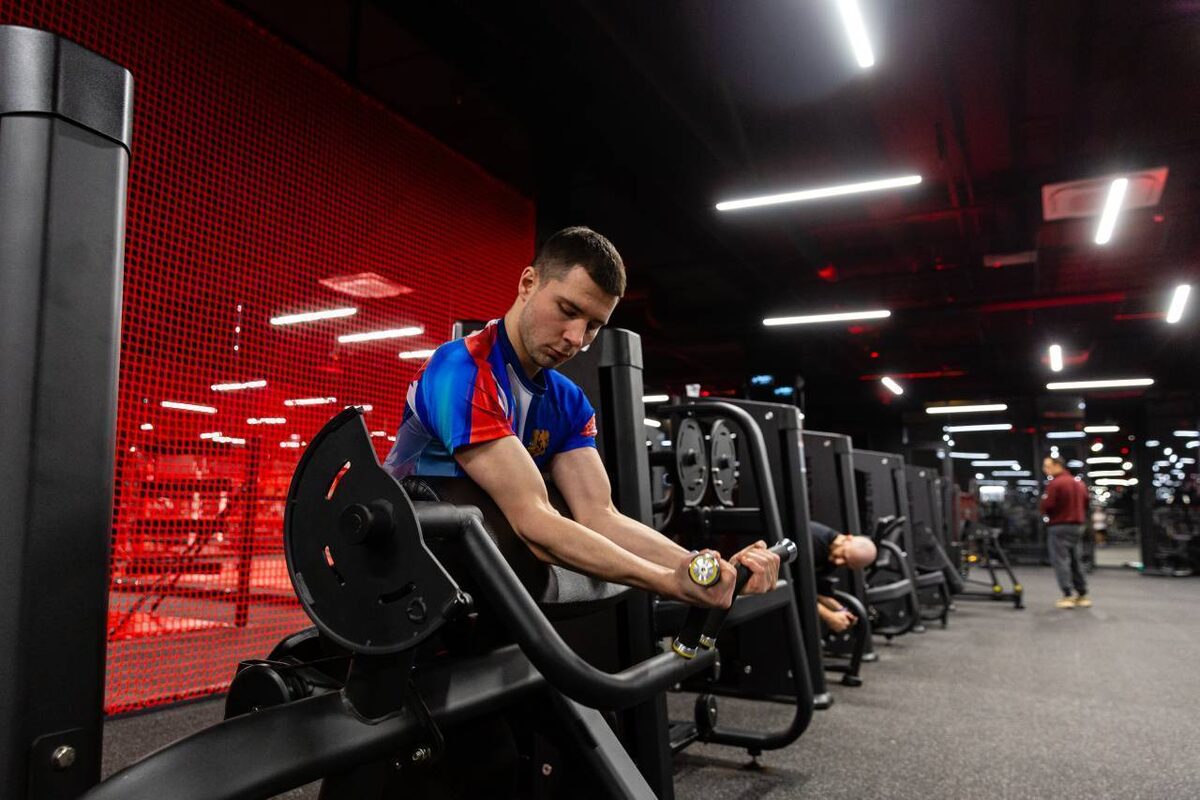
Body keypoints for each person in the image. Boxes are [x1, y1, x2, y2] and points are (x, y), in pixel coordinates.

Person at [383, 226, 778, 608]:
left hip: (481, 579)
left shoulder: (568, 402)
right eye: (567, 310)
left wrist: (701, 568)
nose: (576, 338)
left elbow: (600, 517)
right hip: (402, 574)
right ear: (528, 283)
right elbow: (534, 523)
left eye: (593, 326)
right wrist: (667, 581)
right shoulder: (462, 371)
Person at [1040, 455, 1091, 608]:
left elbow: (1047, 505)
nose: (1045, 469)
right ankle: (1082, 595)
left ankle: (1067, 595)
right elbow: (1086, 502)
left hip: (1059, 526)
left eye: (1047, 466)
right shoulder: (1079, 483)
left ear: (1057, 466)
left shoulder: (1055, 483)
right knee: (1076, 560)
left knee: (1061, 560)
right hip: (1077, 527)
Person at [808, 520, 877, 633]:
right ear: (848, 538)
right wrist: (829, 616)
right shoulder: (813, 540)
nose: (839, 562)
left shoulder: (832, 553)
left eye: (846, 564)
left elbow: (814, 591)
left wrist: (841, 609)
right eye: (844, 555)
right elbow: (796, 587)